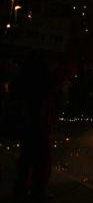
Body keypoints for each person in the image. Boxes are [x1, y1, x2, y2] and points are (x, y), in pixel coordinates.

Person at [12, 51, 59, 199]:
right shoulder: (43, 77)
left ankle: (21, 187)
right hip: (38, 122)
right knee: (41, 158)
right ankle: (38, 189)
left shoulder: (23, 76)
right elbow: (52, 89)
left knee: (26, 157)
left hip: (28, 121)